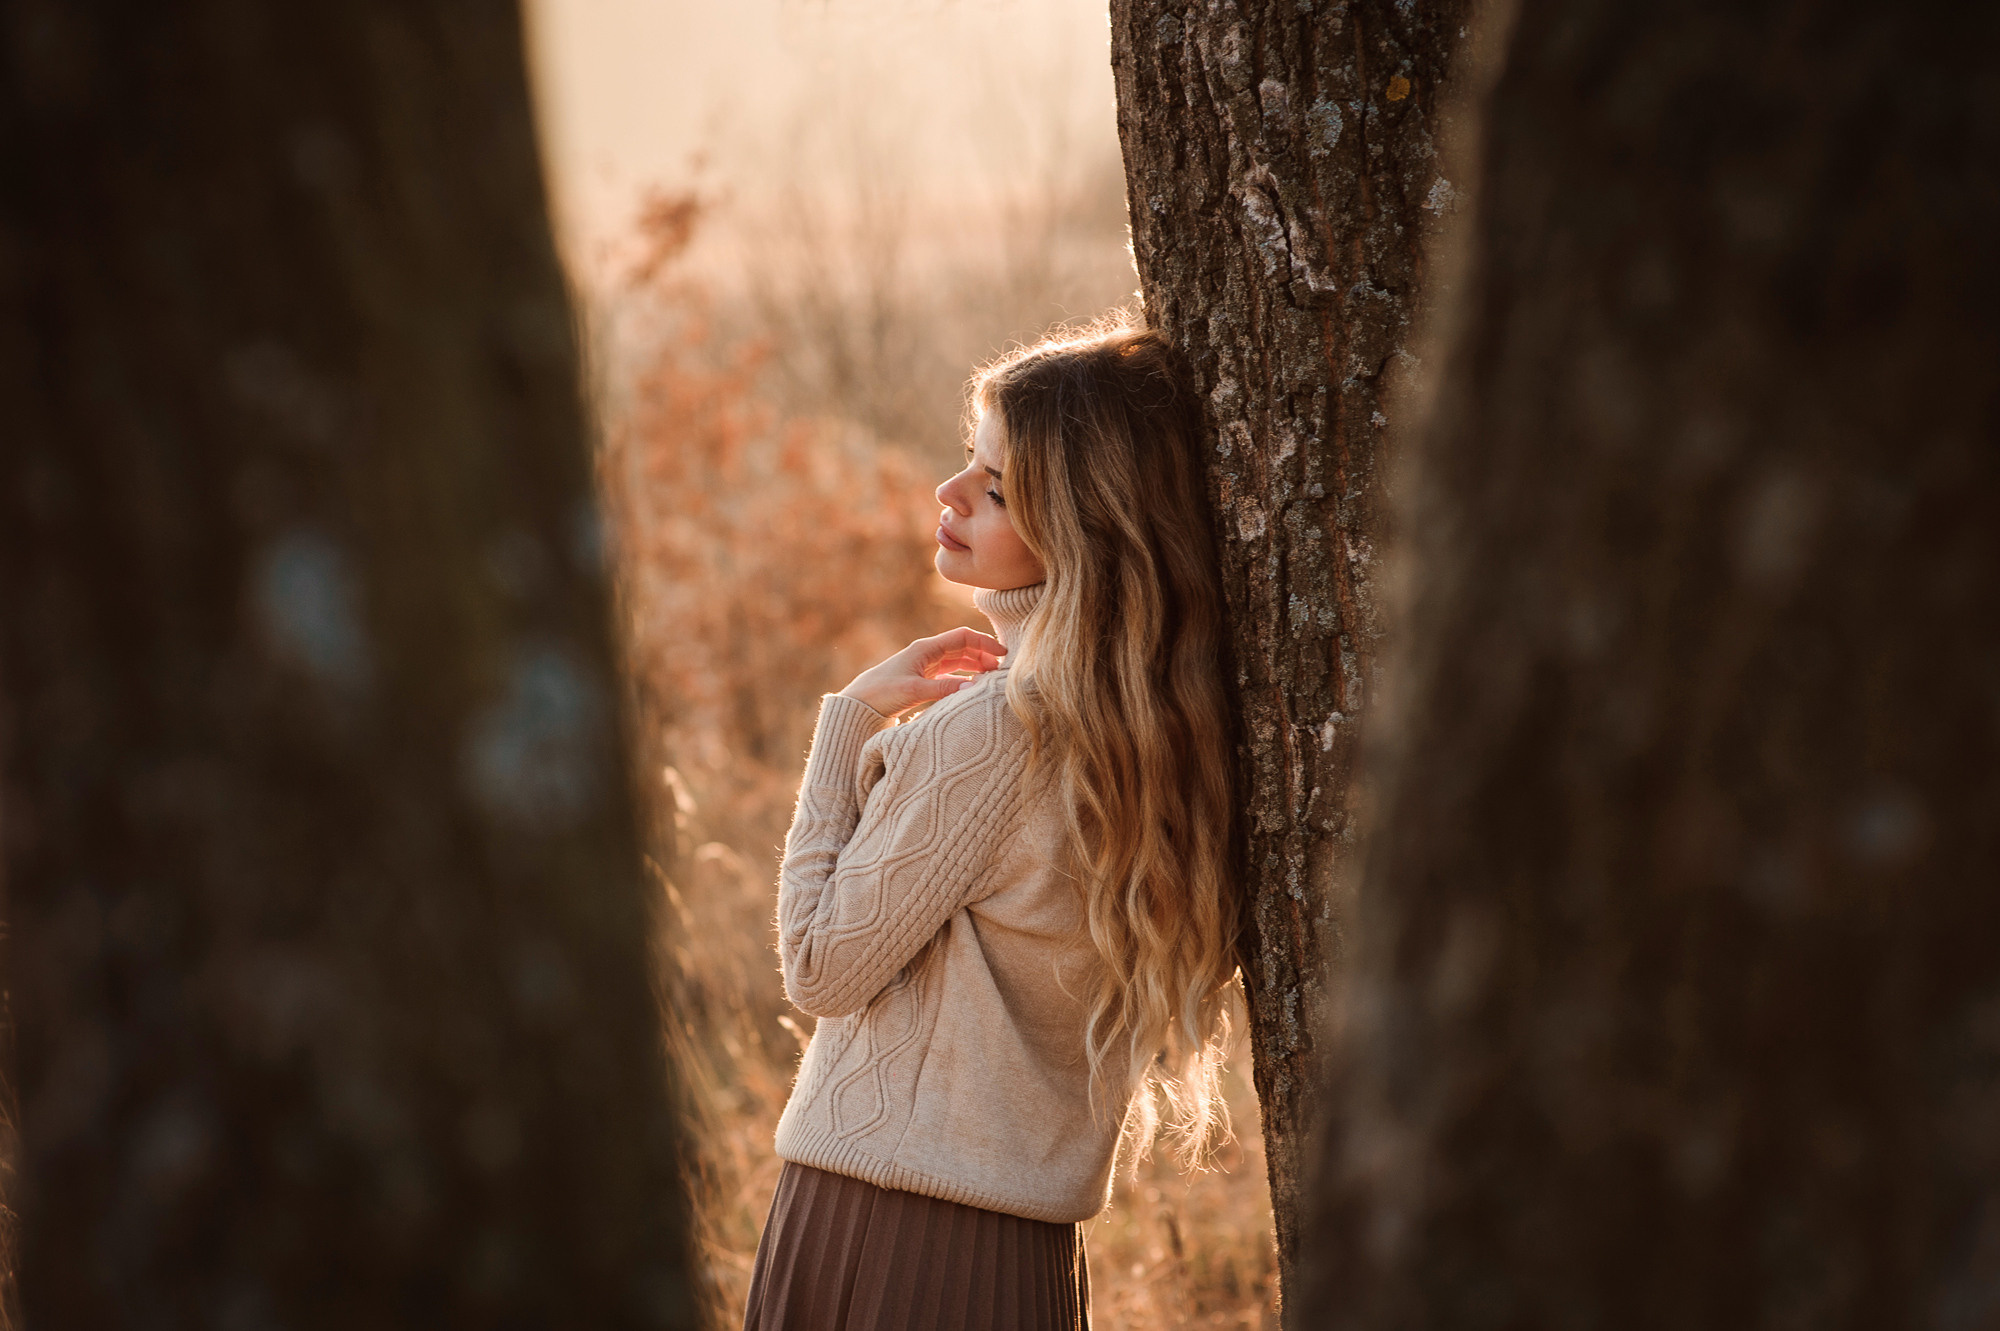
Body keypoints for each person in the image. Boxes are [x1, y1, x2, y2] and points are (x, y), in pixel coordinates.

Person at [742, 322, 1238, 1331]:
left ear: (1083, 525)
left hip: (881, 1222)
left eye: (996, 487)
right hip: (1024, 1250)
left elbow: (816, 966)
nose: (950, 494)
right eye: (969, 462)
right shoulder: (1147, 729)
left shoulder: (992, 731)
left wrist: (846, 724)